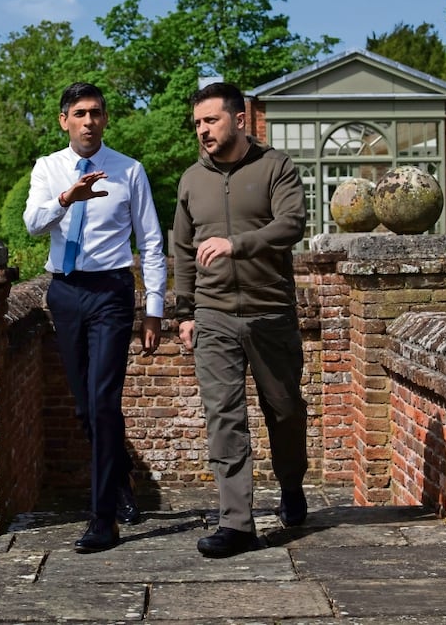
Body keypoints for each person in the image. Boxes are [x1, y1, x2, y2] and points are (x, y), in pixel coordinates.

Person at [24, 82, 166, 553]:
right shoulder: (47, 169)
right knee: (86, 407)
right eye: (80, 113)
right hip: (65, 292)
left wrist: (153, 309)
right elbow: (31, 224)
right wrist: (67, 199)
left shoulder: (129, 171)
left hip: (110, 291)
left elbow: (150, 243)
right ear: (64, 120)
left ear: (106, 120)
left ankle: (102, 518)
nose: (89, 121)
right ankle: (121, 478)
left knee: (103, 400)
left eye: (97, 113)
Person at [173, 81, 309, 558]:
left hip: (270, 311)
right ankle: (237, 525)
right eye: (197, 124)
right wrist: (185, 311)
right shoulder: (192, 179)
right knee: (224, 419)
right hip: (213, 316)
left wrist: (239, 243)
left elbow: (292, 223)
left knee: (286, 411)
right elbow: (183, 250)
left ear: (239, 119)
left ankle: (292, 485)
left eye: (211, 120)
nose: (203, 130)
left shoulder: (276, 167)